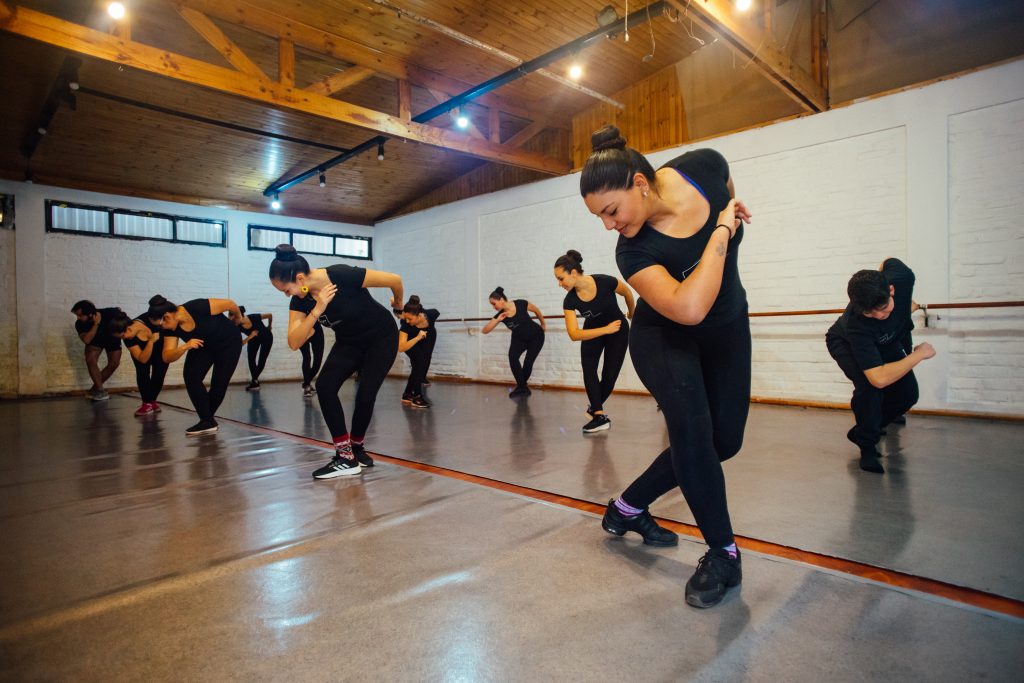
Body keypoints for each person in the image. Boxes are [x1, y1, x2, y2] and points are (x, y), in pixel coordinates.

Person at [580, 125, 753, 609]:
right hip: (666, 336)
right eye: (599, 217)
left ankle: (627, 507)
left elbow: (728, 189)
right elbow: (688, 307)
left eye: (610, 211)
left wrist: (727, 209)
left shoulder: (703, 165)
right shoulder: (632, 251)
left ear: (640, 182)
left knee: (725, 442)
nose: (608, 225)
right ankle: (723, 553)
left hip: (728, 327)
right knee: (694, 437)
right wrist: (722, 227)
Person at [269, 244, 402, 479]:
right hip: (349, 341)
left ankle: (357, 448)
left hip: (381, 337)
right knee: (325, 386)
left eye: (286, 290)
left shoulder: (341, 275)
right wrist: (318, 308)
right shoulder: (301, 301)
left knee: (365, 394)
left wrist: (399, 304)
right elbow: (294, 341)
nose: (287, 295)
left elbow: (395, 279)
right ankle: (345, 456)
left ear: (300, 278)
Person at [826, 259, 934, 474]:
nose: (878, 316)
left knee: (908, 395)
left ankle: (864, 429)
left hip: (886, 340)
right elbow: (879, 378)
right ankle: (867, 445)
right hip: (845, 343)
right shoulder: (857, 325)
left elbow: (888, 262)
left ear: (891, 289)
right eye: (870, 313)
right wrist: (919, 354)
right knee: (869, 389)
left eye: (883, 308)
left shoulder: (902, 278)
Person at [554, 249, 635, 433]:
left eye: (561, 278)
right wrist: (605, 329)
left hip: (618, 331)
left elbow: (627, 293)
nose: (559, 284)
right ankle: (599, 415)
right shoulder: (570, 300)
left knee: (609, 376)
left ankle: (595, 409)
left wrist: (632, 313)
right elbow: (574, 334)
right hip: (596, 331)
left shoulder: (605, 281)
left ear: (573, 273)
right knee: (589, 369)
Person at [147, 294, 248, 436]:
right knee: (191, 376)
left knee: (219, 382)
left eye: (161, 324)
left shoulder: (197, 307)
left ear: (167, 316)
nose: (161, 328)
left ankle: (207, 420)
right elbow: (166, 356)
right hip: (203, 346)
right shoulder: (169, 328)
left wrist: (238, 319)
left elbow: (230, 304)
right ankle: (207, 421)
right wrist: (184, 347)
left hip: (228, 343)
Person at [481, 287, 546, 397]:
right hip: (518, 338)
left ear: (501, 299)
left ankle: (521, 387)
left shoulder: (520, 303)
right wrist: (498, 320)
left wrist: (543, 323)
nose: (493, 307)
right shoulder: (501, 315)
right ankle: (523, 387)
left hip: (536, 336)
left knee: (528, 362)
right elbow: (485, 331)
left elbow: (536, 310)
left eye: (494, 303)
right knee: (513, 357)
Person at [110, 311, 168, 416]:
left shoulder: (150, 318)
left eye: (123, 336)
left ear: (129, 328)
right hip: (143, 354)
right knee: (142, 373)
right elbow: (143, 359)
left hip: (160, 350)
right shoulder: (129, 340)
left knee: (159, 375)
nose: (123, 339)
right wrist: (150, 342)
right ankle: (147, 403)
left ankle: (152, 402)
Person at [71, 300, 123, 401]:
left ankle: (94, 389)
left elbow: (120, 312)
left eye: (80, 315)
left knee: (114, 363)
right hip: (95, 339)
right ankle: (99, 390)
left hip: (111, 337)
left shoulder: (109, 313)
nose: (78, 318)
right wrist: (96, 324)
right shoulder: (80, 324)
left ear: (90, 314)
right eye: (77, 315)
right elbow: (87, 340)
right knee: (90, 359)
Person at [397, 295, 440, 408]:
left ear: (420, 315)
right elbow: (401, 347)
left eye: (410, 318)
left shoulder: (431, 314)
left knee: (425, 361)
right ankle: (416, 396)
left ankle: (407, 394)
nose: (407, 321)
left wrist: (425, 334)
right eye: (405, 318)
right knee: (419, 364)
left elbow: (436, 312)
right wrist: (416, 338)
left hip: (428, 336)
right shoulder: (406, 326)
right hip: (410, 341)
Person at [294, 297, 324, 398]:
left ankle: (306, 382)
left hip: (317, 330)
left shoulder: (316, 297)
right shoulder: (296, 300)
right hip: (303, 330)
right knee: (307, 358)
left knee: (317, 361)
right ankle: (307, 386)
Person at [238, 306, 274, 391]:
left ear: (240, 316)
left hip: (266, 337)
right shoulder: (238, 326)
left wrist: (269, 326)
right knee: (251, 359)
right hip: (253, 339)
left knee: (262, 360)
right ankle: (255, 382)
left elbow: (270, 315)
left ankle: (254, 381)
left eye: (234, 316)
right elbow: (241, 344)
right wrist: (250, 336)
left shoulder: (254, 317)